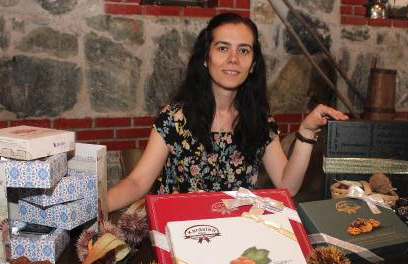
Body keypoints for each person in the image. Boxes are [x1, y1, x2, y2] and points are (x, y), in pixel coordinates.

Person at [107, 13, 348, 212]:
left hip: (234, 236)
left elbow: (288, 185)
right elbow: (137, 182)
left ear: (253, 64)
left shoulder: (258, 119)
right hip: (179, 234)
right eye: (223, 48)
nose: (233, 59)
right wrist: (97, 206)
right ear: (206, 58)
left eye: (243, 50)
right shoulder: (174, 119)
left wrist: (306, 132)